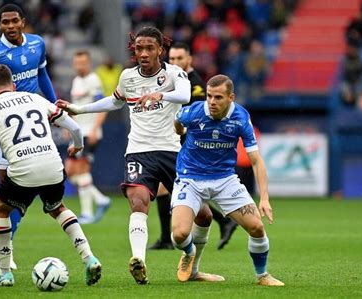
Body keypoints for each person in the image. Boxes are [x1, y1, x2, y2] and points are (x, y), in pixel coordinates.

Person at [57, 26, 218, 284]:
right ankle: (138, 260)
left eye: (149, 48)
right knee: (138, 201)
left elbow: (185, 95)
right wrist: (79, 108)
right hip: (139, 151)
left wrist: (159, 94)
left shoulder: (174, 73)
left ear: (160, 50)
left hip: (173, 151)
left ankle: (191, 258)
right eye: (139, 48)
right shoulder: (128, 77)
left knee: (204, 215)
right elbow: (114, 101)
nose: (143, 53)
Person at [0, 64, 102, 288]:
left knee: (1, 208)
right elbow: (75, 129)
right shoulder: (35, 99)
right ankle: (90, 258)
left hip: (23, 170)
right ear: (13, 84)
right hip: (53, 166)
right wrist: (76, 147)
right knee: (57, 207)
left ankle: (4, 274)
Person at [171, 74, 284, 286]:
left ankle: (263, 275)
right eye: (209, 96)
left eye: (218, 98)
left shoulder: (241, 118)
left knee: (257, 227)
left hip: (225, 180)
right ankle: (189, 253)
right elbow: (177, 120)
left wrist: (265, 198)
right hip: (190, 179)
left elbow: (257, 161)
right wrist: (180, 131)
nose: (212, 102)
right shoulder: (194, 111)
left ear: (231, 97)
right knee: (179, 235)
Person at [0, 3, 57, 271]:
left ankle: (1, 242)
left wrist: (53, 107)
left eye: (13, 21)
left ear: (23, 22)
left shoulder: (38, 44)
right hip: (5, 127)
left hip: (32, 122)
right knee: (8, 186)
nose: (9, 26)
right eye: (4, 22)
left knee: (24, 188)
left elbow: (42, 75)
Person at [148, 42, 238, 251]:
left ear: (189, 59)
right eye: (172, 59)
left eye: (180, 58)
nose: (176, 62)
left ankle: (169, 238)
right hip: (172, 139)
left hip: (187, 145)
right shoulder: (169, 79)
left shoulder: (196, 85)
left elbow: (197, 119)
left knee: (177, 189)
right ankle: (167, 237)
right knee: (165, 188)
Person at [68, 49, 111, 224]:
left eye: (83, 63)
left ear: (89, 63)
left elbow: (103, 106)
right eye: (77, 63)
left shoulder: (93, 80)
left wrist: (95, 129)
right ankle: (101, 199)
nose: (80, 66)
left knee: (81, 170)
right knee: (71, 171)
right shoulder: (76, 81)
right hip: (78, 132)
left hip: (89, 132)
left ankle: (86, 212)